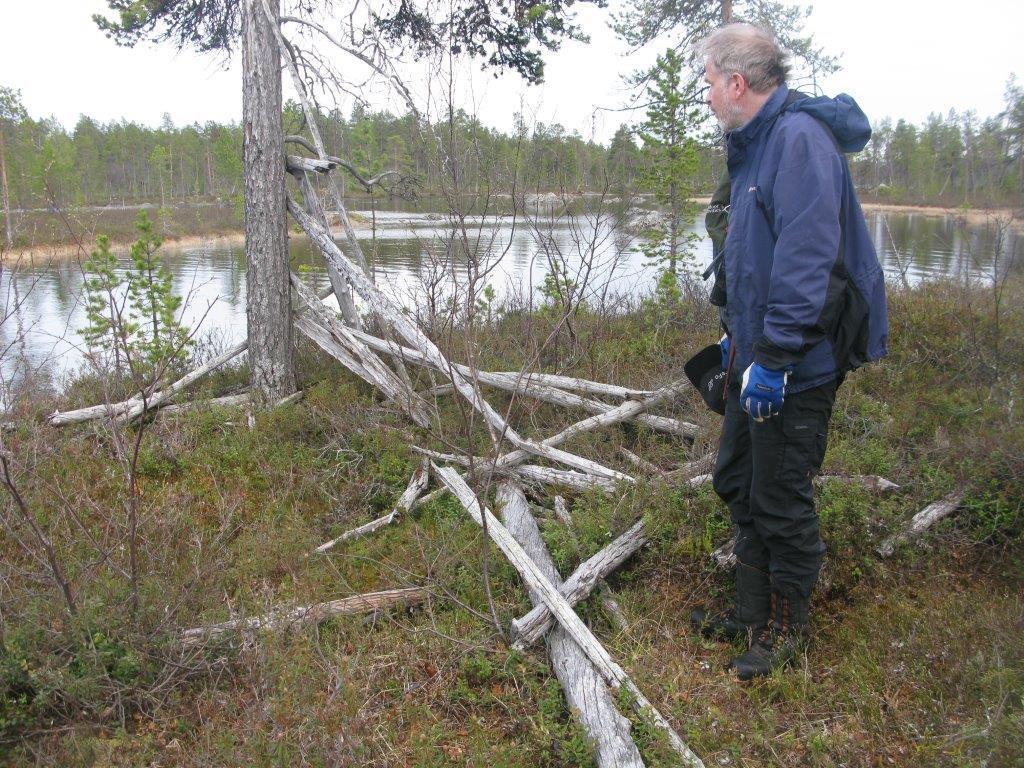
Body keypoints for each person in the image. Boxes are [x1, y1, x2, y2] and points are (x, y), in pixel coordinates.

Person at [689, 23, 889, 680]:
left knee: (779, 495)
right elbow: (752, 262)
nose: (708, 95)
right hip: (759, 355)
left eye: (710, 83)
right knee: (738, 483)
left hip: (796, 366)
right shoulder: (756, 148)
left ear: (736, 82)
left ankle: (785, 631)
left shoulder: (797, 142)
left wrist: (772, 362)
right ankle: (750, 615)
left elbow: (806, 267)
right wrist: (736, 337)